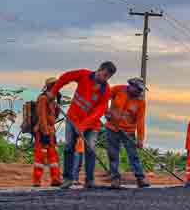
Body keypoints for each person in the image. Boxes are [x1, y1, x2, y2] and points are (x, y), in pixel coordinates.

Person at [48, 61, 116, 189]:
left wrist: (83, 126)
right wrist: (53, 91)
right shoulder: (83, 75)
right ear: (100, 69)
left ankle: (89, 180)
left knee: (90, 149)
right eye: (105, 75)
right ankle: (67, 179)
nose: (105, 79)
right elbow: (65, 77)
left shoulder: (105, 90)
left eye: (108, 77)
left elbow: (99, 112)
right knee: (69, 148)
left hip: (91, 125)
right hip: (72, 118)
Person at [105, 77, 149, 189]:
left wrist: (140, 139)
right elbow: (104, 98)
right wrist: (106, 111)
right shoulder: (118, 89)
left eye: (141, 90)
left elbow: (140, 121)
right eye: (138, 89)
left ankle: (140, 178)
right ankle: (115, 179)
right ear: (131, 85)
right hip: (112, 128)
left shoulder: (140, 102)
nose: (139, 92)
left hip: (128, 131)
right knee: (113, 154)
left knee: (133, 155)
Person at [32, 77, 62, 187]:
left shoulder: (53, 100)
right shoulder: (43, 98)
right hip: (43, 131)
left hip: (51, 131)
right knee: (40, 156)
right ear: (50, 86)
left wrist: (58, 102)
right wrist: (44, 131)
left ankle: (55, 179)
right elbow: (41, 115)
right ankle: (36, 180)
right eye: (55, 85)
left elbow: (55, 116)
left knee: (53, 156)